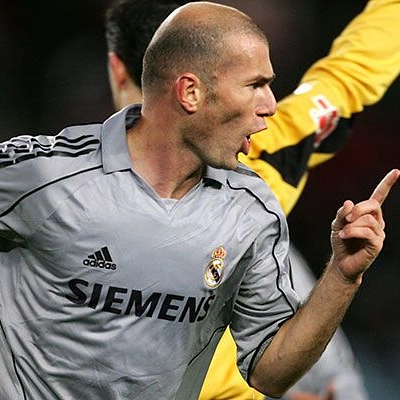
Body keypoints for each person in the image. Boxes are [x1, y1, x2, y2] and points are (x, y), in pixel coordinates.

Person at [0, 2, 398, 399]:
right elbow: (349, 75)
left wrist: (343, 277)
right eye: (254, 85)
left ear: (118, 71)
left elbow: (271, 371)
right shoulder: (47, 177)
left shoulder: (252, 202)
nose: (270, 107)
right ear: (189, 90)